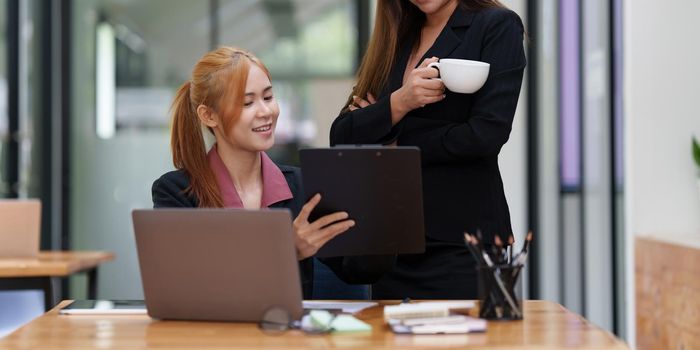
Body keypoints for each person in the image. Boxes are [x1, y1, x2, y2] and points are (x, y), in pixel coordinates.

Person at [152, 47, 391, 299]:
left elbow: (359, 270)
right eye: (247, 102)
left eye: (268, 97)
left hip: (288, 336)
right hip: (215, 336)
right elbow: (187, 286)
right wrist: (287, 250)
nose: (266, 112)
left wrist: (381, 201)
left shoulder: (303, 186)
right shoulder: (176, 192)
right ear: (209, 115)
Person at [330, 0, 526, 299]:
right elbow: (343, 136)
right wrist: (400, 102)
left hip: (463, 243)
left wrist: (391, 135)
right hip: (390, 242)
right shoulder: (398, 34)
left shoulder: (496, 25)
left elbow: (485, 134)